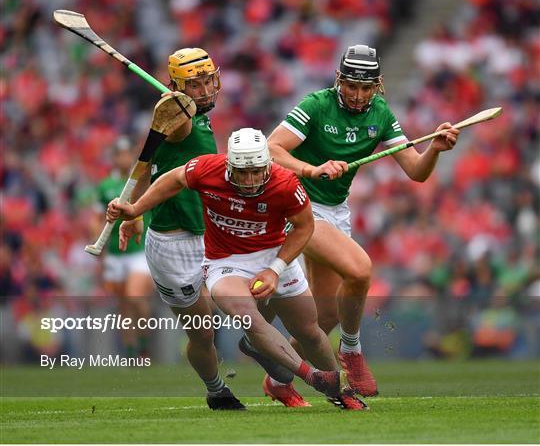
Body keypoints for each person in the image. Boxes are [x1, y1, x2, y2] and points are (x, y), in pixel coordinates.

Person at [107, 128, 368, 410]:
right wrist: (136, 209)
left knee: (309, 330)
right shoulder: (209, 169)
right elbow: (175, 178)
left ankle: (339, 390)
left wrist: (275, 269)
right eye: (242, 172)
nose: (250, 180)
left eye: (256, 171)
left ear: (267, 165)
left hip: (273, 255)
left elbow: (305, 227)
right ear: (229, 165)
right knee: (247, 316)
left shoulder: (285, 183)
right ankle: (313, 377)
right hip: (225, 261)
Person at [264, 44, 461, 400]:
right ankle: (351, 351)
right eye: (350, 86)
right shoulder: (316, 105)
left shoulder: (381, 113)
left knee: (324, 317)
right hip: (300, 208)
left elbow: (416, 172)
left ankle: (278, 377)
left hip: (337, 211)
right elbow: (271, 148)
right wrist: (312, 169)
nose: (357, 95)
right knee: (359, 270)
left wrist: (434, 148)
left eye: (365, 88)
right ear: (338, 80)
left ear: (377, 86)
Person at [117, 48, 244, 410]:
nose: (204, 91)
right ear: (176, 86)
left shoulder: (195, 115)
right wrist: (136, 212)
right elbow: (165, 140)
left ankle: (255, 347)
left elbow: (149, 167)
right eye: (195, 85)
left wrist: (135, 213)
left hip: (209, 234)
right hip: (175, 247)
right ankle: (216, 389)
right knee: (202, 333)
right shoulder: (179, 118)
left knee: (257, 294)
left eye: (208, 82)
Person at [91, 136, 154, 358]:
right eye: (120, 154)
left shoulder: (142, 180)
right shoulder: (105, 185)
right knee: (123, 304)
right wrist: (100, 250)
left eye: (127, 154)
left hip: (138, 249)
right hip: (115, 254)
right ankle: (131, 351)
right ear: (114, 158)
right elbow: (98, 219)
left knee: (135, 296)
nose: (124, 158)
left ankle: (144, 343)